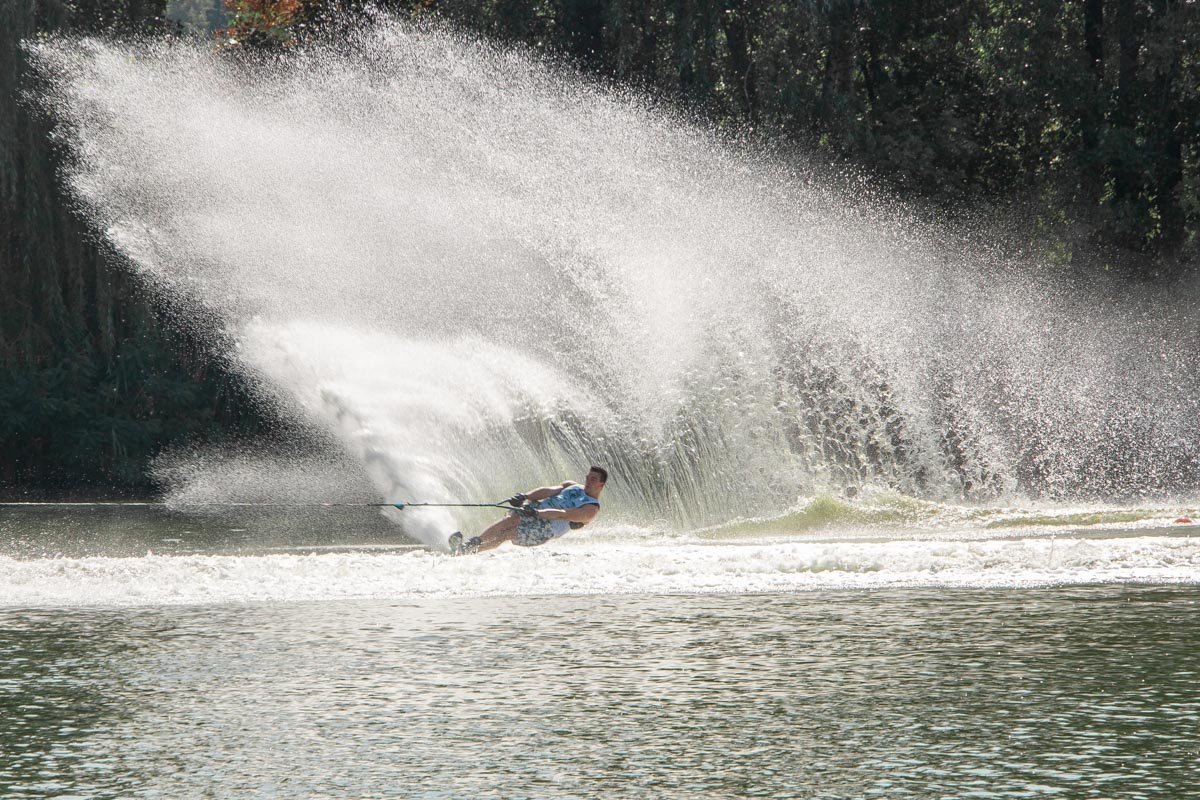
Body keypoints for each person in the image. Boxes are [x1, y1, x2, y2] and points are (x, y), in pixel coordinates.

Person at [450, 466, 608, 554]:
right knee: (509, 520)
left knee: (507, 533)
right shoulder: (571, 485)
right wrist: (525, 496)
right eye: (588, 477)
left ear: (601, 485)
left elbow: (562, 514)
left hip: (547, 528)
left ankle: (470, 551)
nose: (588, 481)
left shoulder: (591, 509)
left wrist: (537, 513)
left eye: (593, 479)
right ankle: (471, 544)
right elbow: (548, 491)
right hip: (538, 509)